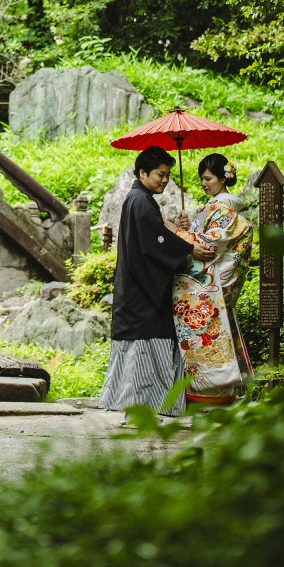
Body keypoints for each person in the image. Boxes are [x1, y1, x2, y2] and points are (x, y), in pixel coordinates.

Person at [99, 146, 216, 415]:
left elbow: (156, 235)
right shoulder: (141, 201)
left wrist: (178, 231)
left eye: (167, 175)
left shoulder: (138, 199)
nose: (165, 180)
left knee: (137, 352)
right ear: (142, 173)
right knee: (147, 348)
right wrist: (189, 248)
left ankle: (129, 402)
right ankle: (145, 406)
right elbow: (155, 243)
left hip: (134, 290)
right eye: (160, 174)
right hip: (143, 294)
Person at [171, 152, 255, 406]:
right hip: (209, 284)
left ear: (223, 178)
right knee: (207, 339)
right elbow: (198, 241)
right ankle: (211, 392)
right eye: (201, 179)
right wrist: (184, 229)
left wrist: (177, 234)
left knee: (207, 337)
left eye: (208, 178)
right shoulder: (214, 207)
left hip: (207, 286)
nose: (204, 183)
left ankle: (208, 393)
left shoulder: (223, 209)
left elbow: (208, 248)